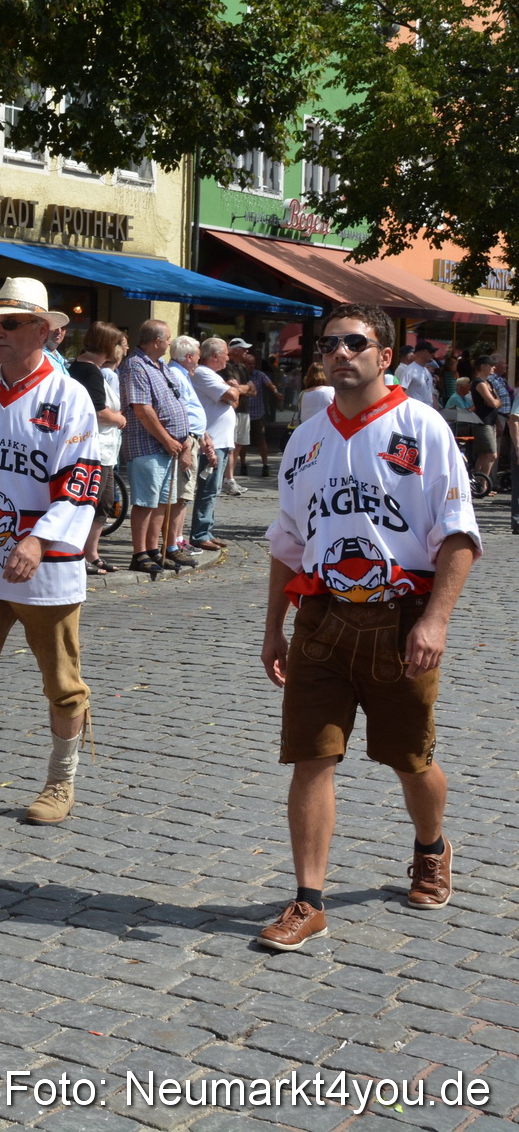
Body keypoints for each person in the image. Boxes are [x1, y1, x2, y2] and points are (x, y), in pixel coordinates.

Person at [257, 303, 479, 952]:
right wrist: (274, 628)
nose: (340, 352)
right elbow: (288, 541)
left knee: (411, 760)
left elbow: (459, 532)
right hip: (323, 619)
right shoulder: (307, 438)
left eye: (356, 342)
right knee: (310, 756)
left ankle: (431, 846)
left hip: (402, 617)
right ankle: (309, 899)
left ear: (386, 355)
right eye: (329, 343)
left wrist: (435, 619)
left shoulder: (422, 428)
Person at [0, 277, 98, 826]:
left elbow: (82, 482)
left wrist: (40, 539)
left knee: (62, 682)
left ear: (44, 330)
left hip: (45, 567)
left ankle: (60, 782)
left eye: (10, 323)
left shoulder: (69, 397)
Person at [120, 320, 189, 573]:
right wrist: (167, 439)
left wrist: (183, 441)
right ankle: (139, 554)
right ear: (156, 341)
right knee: (146, 502)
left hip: (167, 447)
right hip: (148, 445)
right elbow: (142, 409)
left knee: (162, 503)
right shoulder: (136, 365)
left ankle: (153, 550)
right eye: (168, 338)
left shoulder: (160, 366)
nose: (170, 343)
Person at [73, 323, 126, 573]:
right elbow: (97, 411)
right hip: (94, 447)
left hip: (105, 448)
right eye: (117, 343)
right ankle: (80, 555)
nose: (120, 349)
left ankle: (92, 553)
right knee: (92, 502)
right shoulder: (89, 371)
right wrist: (119, 419)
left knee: (103, 502)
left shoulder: (93, 369)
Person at [188, 338, 239, 551]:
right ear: (215, 356)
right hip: (212, 441)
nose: (228, 357)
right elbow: (232, 395)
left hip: (221, 441)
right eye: (226, 353)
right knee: (207, 489)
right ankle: (199, 534)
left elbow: (234, 399)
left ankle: (206, 530)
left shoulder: (214, 376)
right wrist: (234, 387)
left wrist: (234, 389)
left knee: (214, 489)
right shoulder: (203, 373)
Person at [164, 336, 207, 565]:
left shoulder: (182, 374)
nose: (200, 358)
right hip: (186, 440)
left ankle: (178, 538)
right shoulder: (177, 375)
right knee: (180, 495)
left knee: (184, 495)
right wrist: (187, 446)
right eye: (198, 354)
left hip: (192, 438)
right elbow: (179, 413)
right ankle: (173, 542)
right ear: (189, 356)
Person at [224, 338, 257, 487]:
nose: (246, 351)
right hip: (232, 410)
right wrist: (245, 389)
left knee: (238, 445)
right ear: (236, 350)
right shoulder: (227, 367)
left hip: (244, 410)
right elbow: (234, 389)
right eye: (244, 349)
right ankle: (228, 478)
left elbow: (253, 390)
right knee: (230, 445)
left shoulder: (243, 368)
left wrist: (242, 389)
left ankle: (231, 477)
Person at [469, 356, 501, 478]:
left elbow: (498, 402)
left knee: (484, 455)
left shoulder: (489, 383)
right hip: (482, 422)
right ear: (483, 366)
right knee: (491, 455)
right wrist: (495, 402)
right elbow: (493, 403)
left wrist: (495, 402)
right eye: (491, 365)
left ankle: (478, 484)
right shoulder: (479, 383)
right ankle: (483, 485)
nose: (494, 367)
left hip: (490, 421)